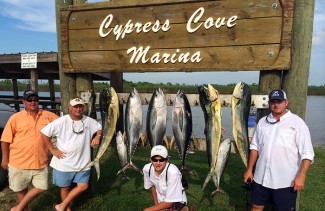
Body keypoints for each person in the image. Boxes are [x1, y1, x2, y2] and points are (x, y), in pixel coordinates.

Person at [243, 89, 315, 211]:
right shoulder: (262, 122)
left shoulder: (298, 123)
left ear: (286, 102)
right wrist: (249, 169)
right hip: (261, 178)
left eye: (279, 101)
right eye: (273, 101)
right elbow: (255, 147)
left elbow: (307, 153)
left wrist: (301, 176)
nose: (276, 104)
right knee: (256, 206)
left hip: (285, 181)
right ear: (269, 103)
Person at [1, 90, 58, 211]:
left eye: (35, 99)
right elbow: (5, 140)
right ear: (24, 102)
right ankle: (24, 209)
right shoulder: (15, 118)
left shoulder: (49, 116)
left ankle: (18, 208)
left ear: (38, 101)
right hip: (18, 161)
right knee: (21, 190)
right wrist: (5, 159)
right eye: (29, 100)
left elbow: (65, 124)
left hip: (40, 161)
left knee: (42, 187)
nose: (33, 102)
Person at [41, 97, 102, 211]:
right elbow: (44, 133)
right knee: (65, 188)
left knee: (83, 186)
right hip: (64, 162)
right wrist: (53, 149)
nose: (78, 109)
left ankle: (61, 206)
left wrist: (97, 136)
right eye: (75, 106)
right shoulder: (61, 121)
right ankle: (67, 208)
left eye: (80, 106)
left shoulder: (88, 120)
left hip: (83, 163)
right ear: (70, 108)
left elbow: (99, 127)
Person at [143, 145, 188, 211]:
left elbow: (169, 203)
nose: (158, 163)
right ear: (150, 159)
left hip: (176, 200)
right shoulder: (147, 169)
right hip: (162, 201)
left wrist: (147, 210)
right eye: (155, 159)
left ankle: (183, 208)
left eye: (161, 160)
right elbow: (152, 186)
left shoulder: (173, 172)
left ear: (167, 160)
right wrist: (156, 205)